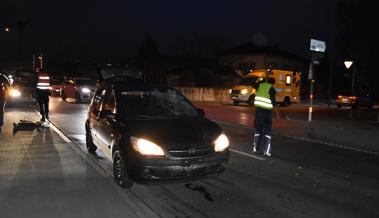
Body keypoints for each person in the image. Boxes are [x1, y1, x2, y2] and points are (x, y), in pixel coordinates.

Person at [252, 76, 276, 156]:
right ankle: (266, 151)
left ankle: (255, 148)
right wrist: (275, 105)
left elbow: (253, 84)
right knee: (267, 132)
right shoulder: (272, 89)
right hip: (266, 113)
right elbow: (273, 102)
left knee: (258, 130)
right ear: (273, 83)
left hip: (258, 112)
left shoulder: (260, 85)